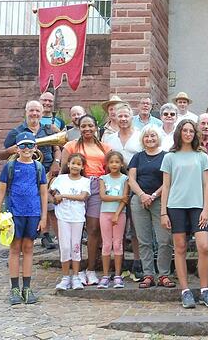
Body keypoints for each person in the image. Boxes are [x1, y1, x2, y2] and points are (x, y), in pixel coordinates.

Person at [160, 120, 208, 309]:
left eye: (191, 131)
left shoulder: (201, 155)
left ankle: (204, 289)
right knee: (180, 248)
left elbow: (206, 184)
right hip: (176, 206)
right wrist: (163, 213)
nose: (188, 133)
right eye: (184, 130)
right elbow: (166, 186)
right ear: (179, 133)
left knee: (204, 247)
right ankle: (185, 291)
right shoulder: (170, 157)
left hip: (197, 206)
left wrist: (206, 209)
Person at [0, 132, 48, 305]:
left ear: (35, 148)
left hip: (33, 213)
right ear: (17, 149)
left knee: (29, 247)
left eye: (29, 145)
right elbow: (1, 191)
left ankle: (27, 287)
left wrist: (44, 216)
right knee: (15, 248)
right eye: (22, 146)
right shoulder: (9, 167)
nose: (26, 149)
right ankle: (15, 288)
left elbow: (43, 193)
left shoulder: (38, 168)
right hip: (14, 213)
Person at [0, 100, 60, 249]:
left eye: (37, 111)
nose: (34, 114)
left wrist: (56, 162)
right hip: (24, 176)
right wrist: (10, 151)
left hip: (46, 173)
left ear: (41, 113)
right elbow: (1, 154)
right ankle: (18, 245)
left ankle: (48, 236)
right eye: (31, 110)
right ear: (26, 112)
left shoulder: (48, 130)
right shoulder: (16, 132)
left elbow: (57, 149)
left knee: (50, 206)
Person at [60, 115, 111, 286]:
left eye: (90, 125)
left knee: (93, 229)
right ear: (78, 127)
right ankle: (76, 270)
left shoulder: (105, 147)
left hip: (97, 186)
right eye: (83, 126)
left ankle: (90, 269)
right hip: (76, 185)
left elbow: (112, 167)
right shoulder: (71, 145)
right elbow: (63, 170)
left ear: (96, 127)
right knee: (75, 228)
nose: (87, 129)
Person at [128, 125, 175, 289]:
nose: (150, 139)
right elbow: (131, 180)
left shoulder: (166, 156)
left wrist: (154, 195)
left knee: (164, 239)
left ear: (158, 138)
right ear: (142, 139)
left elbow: (168, 181)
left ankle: (164, 274)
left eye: (153, 136)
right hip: (139, 201)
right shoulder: (137, 157)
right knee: (144, 240)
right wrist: (142, 195)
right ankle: (148, 274)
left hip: (160, 201)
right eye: (147, 136)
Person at [104, 103, 143, 280]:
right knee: (115, 223)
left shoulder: (139, 136)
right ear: (115, 118)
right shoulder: (110, 139)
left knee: (136, 225)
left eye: (126, 116)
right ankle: (115, 263)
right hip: (115, 185)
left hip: (136, 183)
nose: (123, 119)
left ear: (131, 117)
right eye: (120, 116)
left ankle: (137, 260)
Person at [51, 153, 90, 291]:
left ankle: (76, 276)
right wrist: (56, 196)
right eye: (73, 163)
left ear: (82, 167)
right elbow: (52, 192)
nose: (75, 166)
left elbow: (82, 197)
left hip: (77, 217)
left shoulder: (85, 181)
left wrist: (64, 195)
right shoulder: (61, 179)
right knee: (65, 247)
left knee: (75, 247)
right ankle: (65, 276)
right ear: (68, 164)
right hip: (63, 216)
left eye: (79, 164)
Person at [97, 151, 130, 289]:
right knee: (106, 244)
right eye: (111, 162)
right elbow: (103, 196)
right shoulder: (103, 179)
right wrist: (118, 198)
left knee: (117, 244)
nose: (114, 164)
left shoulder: (125, 179)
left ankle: (117, 275)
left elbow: (125, 198)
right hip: (105, 213)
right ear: (107, 164)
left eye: (117, 162)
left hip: (119, 214)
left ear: (121, 164)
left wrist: (117, 213)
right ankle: (105, 275)